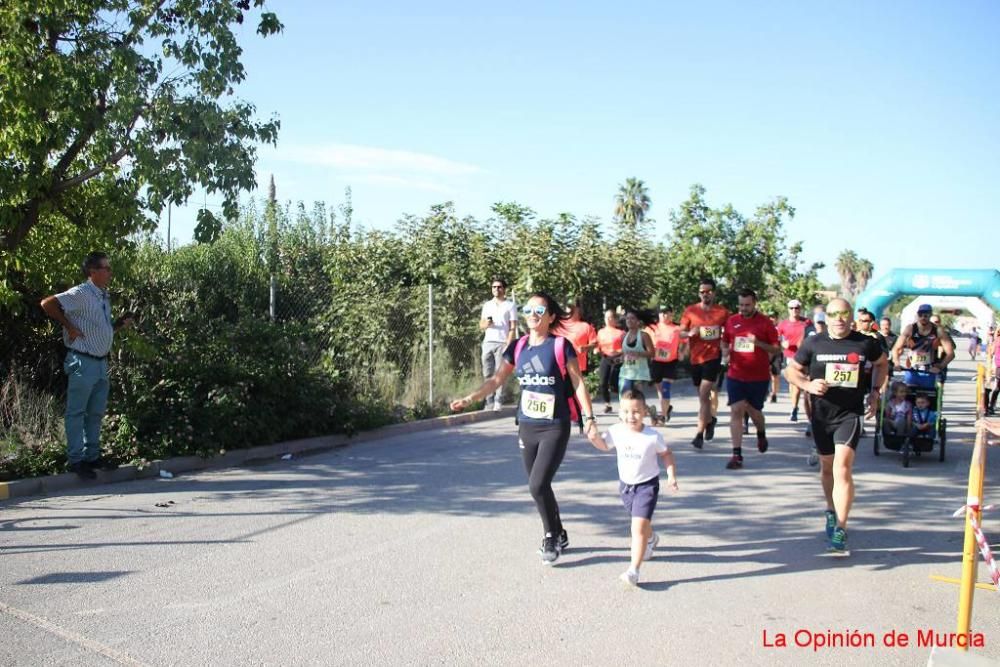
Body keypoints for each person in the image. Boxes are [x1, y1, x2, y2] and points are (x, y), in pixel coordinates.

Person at [451, 292, 598, 565]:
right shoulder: (517, 347)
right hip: (527, 425)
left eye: (539, 310)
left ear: (551, 317)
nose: (532, 314)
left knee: (537, 484)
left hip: (555, 425)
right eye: (528, 309)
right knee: (540, 487)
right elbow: (496, 380)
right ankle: (561, 532)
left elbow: (578, 383)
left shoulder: (560, 345)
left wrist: (589, 419)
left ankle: (551, 536)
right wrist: (471, 398)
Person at [786, 298, 887, 556]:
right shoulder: (813, 342)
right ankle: (830, 510)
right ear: (826, 317)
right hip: (821, 415)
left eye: (844, 313)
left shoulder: (865, 342)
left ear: (851, 315)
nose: (839, 318)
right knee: (827, 468)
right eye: (834, 313)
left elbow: (882, 363)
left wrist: (875, 392)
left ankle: (841, 527)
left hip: (849, 414)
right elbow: (792, 371)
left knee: (843, 467)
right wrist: (808, 386)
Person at [40, 252, 134, 479]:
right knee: (76, 413)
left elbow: (96, 328)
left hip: (100, 364)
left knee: (95, 413)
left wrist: (117, 325)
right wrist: (69, 326)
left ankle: (92, 457)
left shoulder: (102, 296)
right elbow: (47, 303)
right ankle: (76, 460)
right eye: (106, 268)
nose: (110, 272)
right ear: (93, 271)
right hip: (83, 361)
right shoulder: (81, 293)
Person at [586, 389, 678, 587]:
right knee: (641, 524)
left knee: (636, 527)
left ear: (645, 411)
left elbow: (666, 454)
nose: (631, 416)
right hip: (626, 487)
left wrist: (671, 475)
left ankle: (633, 570)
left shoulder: (652, 436)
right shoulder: (616, 431)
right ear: (620, 413)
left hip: (647, 486)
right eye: (626, 412)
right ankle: (651, 538)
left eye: (636, 411)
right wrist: (594, 438)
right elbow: (604, 446)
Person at [720, 289, 780, 469]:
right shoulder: (732, 321)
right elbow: (725, 340)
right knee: (737, 410)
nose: (743, 308)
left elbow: (776, 349)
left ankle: (761, 432)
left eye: (747, 305)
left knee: (755, 412)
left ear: (754, 303)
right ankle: (736, 454)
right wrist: (724, 351)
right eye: (741, 305)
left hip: (758, 376)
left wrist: (758, 344)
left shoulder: (765, 322)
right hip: (736, 374)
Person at [680, 278, 730, 449]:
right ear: (699, 293)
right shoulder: (690, 311)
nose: (705, 294)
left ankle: (699, 434)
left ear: (714, 293)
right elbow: (680, 333)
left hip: (713, 357)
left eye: (708, 291)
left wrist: (725, 348)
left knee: (703, 394)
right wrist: (689, 334)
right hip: (695, 358)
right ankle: (711, 420)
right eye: (702, 292)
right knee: (704, 397)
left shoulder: (722, 312)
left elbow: (729, 333)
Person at [891, 303, 955, 391]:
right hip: (912, 370)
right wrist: (896, 363)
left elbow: (951, 353)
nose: (923, 317)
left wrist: (940, 366)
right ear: (917, 315)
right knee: (909, 397)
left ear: (930, 315)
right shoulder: (910, 328)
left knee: (929, 398)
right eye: (920, 315)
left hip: (929, 371)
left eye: (926, 315)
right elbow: (896, 348)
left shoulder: (938, 330)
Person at [479, 276, 518, 411]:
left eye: (499, 287)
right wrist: (487, 324)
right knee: (487, 373)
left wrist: (508, 342)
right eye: (494, 287)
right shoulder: (487, 305)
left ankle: (498, 401)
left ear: (504, 289)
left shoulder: (510, 305)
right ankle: (488, 401)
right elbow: (481, 325)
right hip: (488, 342)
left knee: (499, 373)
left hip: (502, 342)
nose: (496, 289)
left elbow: (513, 326)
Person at [645, 305, 684, 425]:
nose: (663, 315)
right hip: (656, 362)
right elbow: (644, 341)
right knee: (660, 390)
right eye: (661, 313)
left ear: (672, 314)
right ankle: (666, 409)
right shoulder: (652, 328)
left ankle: (663, 415)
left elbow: (684, 342)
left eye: (666, 313)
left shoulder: (677, 328)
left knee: (665, 389)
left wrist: (682, 352)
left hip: (671, 362)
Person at [777, 299, 813, 422]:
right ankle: (794, 408)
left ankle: (803, 409)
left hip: (806, 357)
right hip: (791, 356)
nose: (794, 310)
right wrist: (782, 344)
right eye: (791, 308)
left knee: (803, 385)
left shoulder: (807, 322)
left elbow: (813, 335)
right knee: (795, 384)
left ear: (800, 309)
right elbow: (776, 339)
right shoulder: (783, 324)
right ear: (788, 309)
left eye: (796, 308)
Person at [619, 310, 656, 409]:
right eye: (627, 318)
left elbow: (652, 353)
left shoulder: (644, 336)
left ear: (638, 321)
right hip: (626, 372)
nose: (629, 320)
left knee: (635, 397)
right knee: (627, 395)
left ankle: (647, 411)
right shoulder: (623, 336)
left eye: (632, 318)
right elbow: (624, 354)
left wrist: (638, 354)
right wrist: (620, 359)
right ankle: (627, 415)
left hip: (639, 373)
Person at [596, 309, 625, 414]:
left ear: (614, 319)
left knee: (614, 384)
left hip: (617, 359)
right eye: (606, 317)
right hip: (605, 358)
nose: (607, 320)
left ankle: (625, 401)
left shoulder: (620, 333)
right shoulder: (601, 332)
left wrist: (617, 351)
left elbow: (626, 348)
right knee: (603, 382)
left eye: (610, 317)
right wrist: (597, 349)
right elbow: (598, 345)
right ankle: (607, 404)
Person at [560, 300, 598, 375]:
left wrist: (585, 347)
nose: (569, 311)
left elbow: (595, 344)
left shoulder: (585, 326)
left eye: (572, 308)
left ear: (578, 310)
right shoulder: (560, 325)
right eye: (568, 308)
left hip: (578, 367)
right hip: (560, 366)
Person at [879, 317, 898, 381]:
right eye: (883, 325)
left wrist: (896, 362)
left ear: (890, 326)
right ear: (880, 326)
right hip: (876, 364)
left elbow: (898, 351)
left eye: (887, 325)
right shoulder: (875, 336)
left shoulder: (895, 338)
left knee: (885, 385)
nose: (885, 327)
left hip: (888, 365)